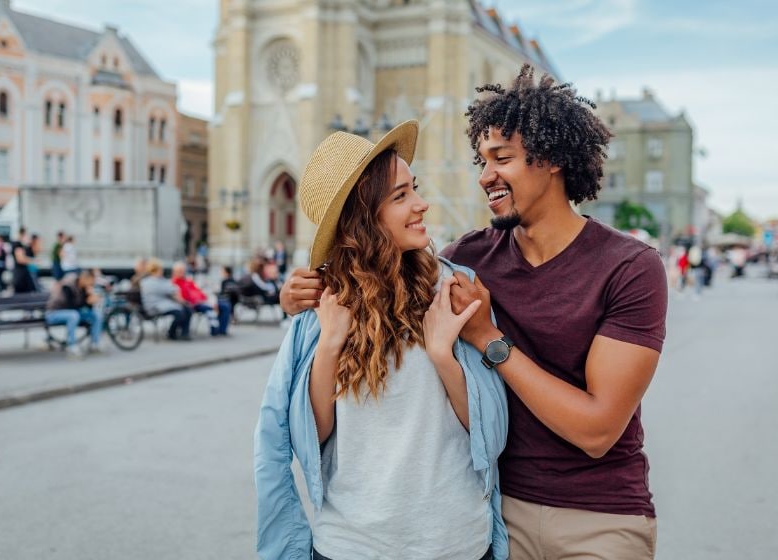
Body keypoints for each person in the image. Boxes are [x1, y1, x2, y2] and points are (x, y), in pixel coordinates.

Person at [281, 66, 667, 559]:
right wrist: (299, 303)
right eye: (481, 160)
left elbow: (596, 431)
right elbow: (378, 275)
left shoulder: (630, 266)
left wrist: (488, 339)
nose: (484, 176)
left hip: (597, 514)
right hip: (499, 510)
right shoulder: (468, 261)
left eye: (500, 158)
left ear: (548, 159)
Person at [255, 121, 509, 560]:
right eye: (401, 196)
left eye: (416, 188)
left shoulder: (455, 289)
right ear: (363, 218)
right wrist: (331, 344)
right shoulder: (318, 309)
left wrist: (441, 355)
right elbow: (302, 441)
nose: (422, 204)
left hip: (457, 544)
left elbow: (492, 432)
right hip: (350, 545)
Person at [45, 271, 103, 359]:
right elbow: (69, 305)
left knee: (96, 315)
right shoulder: (68, 286)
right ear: (84, 278)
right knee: (73, 315)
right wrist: (86, 301)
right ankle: (71, 346)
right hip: (54, 313)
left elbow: (85, 307)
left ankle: (95, 344)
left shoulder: (84, 288)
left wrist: (91, 301)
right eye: (91, 281)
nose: (92, 284)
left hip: (72, 312)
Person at [170, 261, 231, 336]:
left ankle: (222, 330)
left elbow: (198, 291)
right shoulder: (173, 283)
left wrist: (208, 300)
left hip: (202, 300)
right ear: (174, 272)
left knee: (225, 305)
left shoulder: (188, 281)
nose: (182, 273)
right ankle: (215, 330)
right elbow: (180, 297)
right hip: (193, 303)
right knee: (209, 309)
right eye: (179, 271)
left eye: (183, 271)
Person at [139, 258, 192, 340]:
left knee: (186, 309)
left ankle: (184, 333)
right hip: (156, 307)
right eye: (161, 269)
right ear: (157, 269)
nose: (162, 271)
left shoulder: (155, 280)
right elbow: (172, 289)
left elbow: (170, 288)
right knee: (181, 312)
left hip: (162, 304)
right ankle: (172, 333)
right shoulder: (151, 281)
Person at [11, 227, 37, 294]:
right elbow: (20, 259)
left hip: (22, 272)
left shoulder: (21, 245)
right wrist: (32, 260)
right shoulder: (17, 244)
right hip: (20, 273)